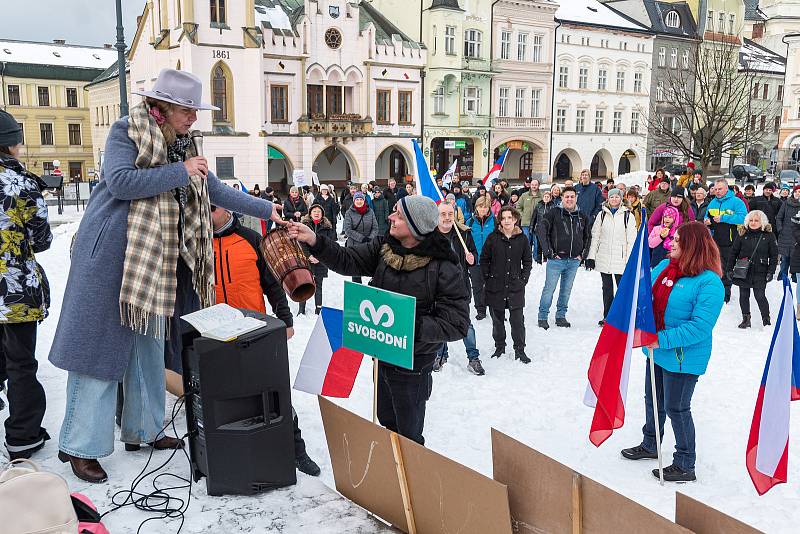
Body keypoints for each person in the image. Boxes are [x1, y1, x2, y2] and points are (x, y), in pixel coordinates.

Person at [49, 69, 284, 483]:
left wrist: (267, 209)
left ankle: (146, 430)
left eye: (195, 110)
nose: (194, 117)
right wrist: (181, 172)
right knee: (98, 355)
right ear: (163, 107)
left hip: (154, 263)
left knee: (148, 349)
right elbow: (120, 183)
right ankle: (80, 446)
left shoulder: (184, 145)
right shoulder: (126, 132)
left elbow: (212, 189)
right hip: (111, 257)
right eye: (187, 109)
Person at [288, 196, 469, 445]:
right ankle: (389, 474)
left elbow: (456, 323)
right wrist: (314, 240)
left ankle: (411, 478)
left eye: (398, 215)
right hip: (382, 357)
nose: (390, 217)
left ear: (416, 225)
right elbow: (347, 259)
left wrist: (406, 326)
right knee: (385, 419)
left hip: (413, 365)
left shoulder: (444, 265)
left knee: (409, 435)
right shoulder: (385, 247)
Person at [209, 206, 320, 475]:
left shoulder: (250, 239)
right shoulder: (198, 241)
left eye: (212, 208)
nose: (207, 214)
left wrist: (285, 319)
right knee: (222, 395)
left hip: (253, 329)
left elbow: (271, 282)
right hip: (215, 331)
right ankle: (229, 451)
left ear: (226, 209)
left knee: (274, 390)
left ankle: (296, 449)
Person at [621, 221, 724, 482]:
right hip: (657, 350)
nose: (672, 242)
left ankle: (685, 463)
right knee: (652, 400)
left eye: (678, 239)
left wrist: (661, 339)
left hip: (683, 357)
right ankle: (650, 444)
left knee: (676, 408)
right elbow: (643, 292)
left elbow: (700, 327)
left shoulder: (709, 283)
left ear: (693, 245)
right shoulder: (665, 266)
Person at [0, 110, 52, 461]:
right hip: (14, 290)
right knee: (20, 365)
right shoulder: (21, 183)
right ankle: (23, 436)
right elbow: (42, 237)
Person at [433, 203, 485, 375]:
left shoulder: (463, 234)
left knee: (465, 324)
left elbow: (474, 257)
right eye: (443, 214)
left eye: (450, 214)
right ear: (437, 216)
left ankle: (473, 358)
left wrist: (472, 259)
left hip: (460, 288)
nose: (447, 218)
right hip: (437, 289)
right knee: (439, 323)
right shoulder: (430, 237)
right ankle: (440, 355)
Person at [481, 206, 532, 363]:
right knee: (497, 320)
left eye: (510, 217)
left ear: (515, 219)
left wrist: (523, 279)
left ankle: (519, 349)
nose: (507, 221)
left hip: (515, 287)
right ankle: (499, 346)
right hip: (495, 287)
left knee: (517, 321)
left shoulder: (522, 239)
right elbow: (484, 259)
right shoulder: (492, 237)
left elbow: (527, 261)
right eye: (503, 218)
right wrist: (488, 278)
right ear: (500, 221)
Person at [536, 187, 590, 329]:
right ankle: (542, 316)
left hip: (573, 261)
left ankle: (561, 316)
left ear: (576, 198)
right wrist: (549, 252)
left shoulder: (581, 216)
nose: (570, 199)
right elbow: (541, 230)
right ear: (562, 198)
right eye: (567, 196)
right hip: (556, 260)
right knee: (549, 289)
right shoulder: (554, 213)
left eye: (572, 196)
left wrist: (582, 254)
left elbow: (587, 236)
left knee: (566, 290)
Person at [586, 189, 637, 325]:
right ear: (608, 199)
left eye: (616, 197)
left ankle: (621, 316)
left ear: (621, 199)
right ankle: (607, 316)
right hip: (604, 257)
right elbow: (595, 237)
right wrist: (591, 257)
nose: (614, 199)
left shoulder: (628, 216)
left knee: (622, 289)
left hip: (621, 259)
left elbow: (631, 240)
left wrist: (629, 261)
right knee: (607, 289)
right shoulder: (602, 215)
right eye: (611, 197)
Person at [726, 210, 778, 328]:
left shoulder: (769, 236)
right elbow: (733, 253)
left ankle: (766, 320)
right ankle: (746, 319)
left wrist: (771, 271)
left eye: (756, 220)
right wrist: (729, 269)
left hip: (760, 271)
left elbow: (774, 256)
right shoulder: (742, 234)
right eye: (751, 220)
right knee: (744, 295)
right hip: (743, 270)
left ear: (762, 222)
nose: (753, 223)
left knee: (760, 296)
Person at [705, 178, 747, 303]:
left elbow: (743, 218)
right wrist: (707, 221)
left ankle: (726, 294)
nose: (717, 191)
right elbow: (708, 217)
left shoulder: (736, 202)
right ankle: (716, 291)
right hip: (715, 241)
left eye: (720, 189)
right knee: (716, 267)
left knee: (728, 268)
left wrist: (724, 218)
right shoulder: (712, 202)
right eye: (715, 189)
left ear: (726, 188)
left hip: (731, 242)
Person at [299, 203, 337, 315]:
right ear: (310, 213)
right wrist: (309, 256)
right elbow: (301, 243)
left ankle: (318, 309)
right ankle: (301, 309)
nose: (316, 213)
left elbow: (329, 244)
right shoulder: (304, 226)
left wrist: (319, 257)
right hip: (307, 260)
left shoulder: (327, 228)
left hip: (321, 260)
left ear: (322, 214)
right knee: (304, 284)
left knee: (318, 285)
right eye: (314, 211)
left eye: (319, 211)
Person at [468, 197, 495, 321]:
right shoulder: (470, 222)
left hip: (492, 260)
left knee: (492, 285)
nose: (483, 209)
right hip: (475, 260)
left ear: (489, 207)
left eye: (485, 206)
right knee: (477, 286)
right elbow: (465, 241)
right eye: (480, 206)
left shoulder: (495, 221)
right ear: (476, 207)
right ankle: (480, 309)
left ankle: (494, 309)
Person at [343, 191, 378, 284]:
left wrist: (370, 238)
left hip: (369, 245)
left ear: (364, 200)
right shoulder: (349, 213)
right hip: (354, 246)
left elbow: (375, 227)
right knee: (356, 271)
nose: (359, 201)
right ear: (354, 201)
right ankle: (357, 292)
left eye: (361, 199)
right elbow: (348, 230)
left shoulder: (370, 212)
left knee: (372, 268)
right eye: (357, 199)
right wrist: (362, 238)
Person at [775, 185, 800, 281]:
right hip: (785, 235)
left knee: (796, 258)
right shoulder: (786, 203)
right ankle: (782, 277)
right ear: (793, 193)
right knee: (784, 259)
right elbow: (779, 217)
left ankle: (795, 278)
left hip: (797, 237)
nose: (798, 193)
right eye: (796, 191)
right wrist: (780, 229)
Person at [530, 189, 558, 263]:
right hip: (539, 228)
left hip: (549, 229)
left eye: (548, 197)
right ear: (543, 197)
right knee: (539, 245)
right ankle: (539, 260)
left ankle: (546, 258)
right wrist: (531, 228)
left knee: (547, 244)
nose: (546, 198)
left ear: (550, 198)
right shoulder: (539, 205)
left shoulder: (553, 206)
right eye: (545, 196)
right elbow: (534, 218)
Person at [517, 178, 542, 247]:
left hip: (537, 224)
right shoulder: (524, 195)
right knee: (526, 242)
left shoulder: (542, 197)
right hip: (526, 223)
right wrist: (522, 215)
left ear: (538, 186)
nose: (534, 186)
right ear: (530, 185)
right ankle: (527, 257)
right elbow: (518, 206)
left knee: (537, 243)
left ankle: (536, 257)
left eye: (536, 185)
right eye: (532, 185)